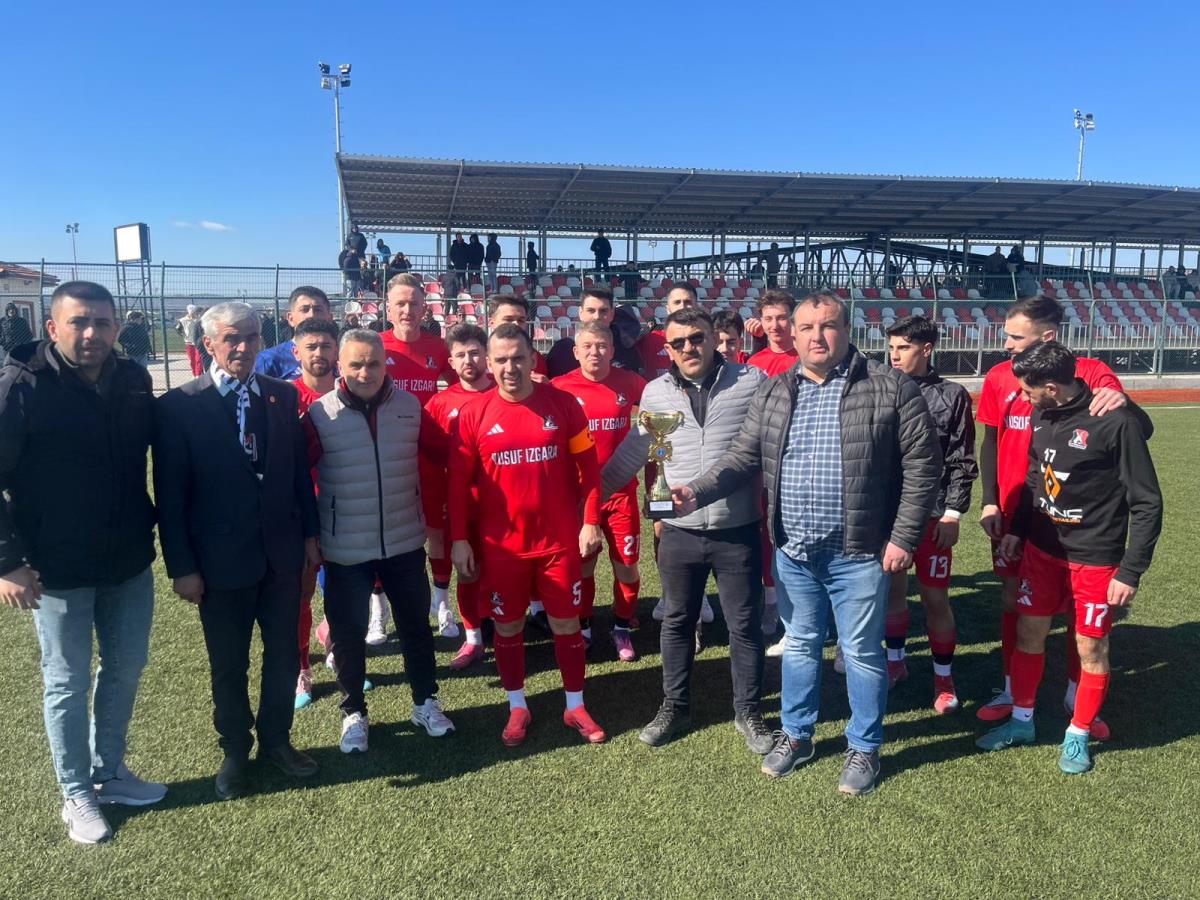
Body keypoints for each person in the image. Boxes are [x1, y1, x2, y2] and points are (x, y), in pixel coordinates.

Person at [673, 289, 942, 795]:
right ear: (793, 336)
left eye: (829, 325)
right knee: (799, 645)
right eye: (808, 328)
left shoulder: (890, 387)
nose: (818, 336)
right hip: (793, 550)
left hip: (859, 551)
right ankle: (797, 735)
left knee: (860, 651)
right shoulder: (776, 391)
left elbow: (923, 469)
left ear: (847, 330)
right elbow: (742, 457)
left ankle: (864, 746)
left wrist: (904, 537)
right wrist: (696, 491)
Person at [0, 281, 164, 845]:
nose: (91, 333)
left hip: (128, 559)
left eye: (102, 322)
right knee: (66, 681)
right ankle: (76, 793)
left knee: (124, 667)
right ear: (52, 328)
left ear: (117, 327)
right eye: (78, 322)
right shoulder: (19, 387)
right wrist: (7, 562)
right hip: (54, 568)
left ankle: (109, 771)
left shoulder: (134, 380)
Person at [154, 301, 321, 801]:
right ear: (208, 344)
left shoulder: (281, 395)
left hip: (281, 555)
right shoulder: (180, 405)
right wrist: (182, 567)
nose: (243, 346)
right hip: (219, 563)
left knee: (284, 657)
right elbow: (171, 495)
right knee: (229, 664)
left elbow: (297, 475)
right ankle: (234, 750)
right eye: (232, 338)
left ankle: (277, 740)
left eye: (251, 337)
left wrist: (310, 538)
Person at [981, 342, 1162, 775]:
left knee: (1090, 645)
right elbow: (1033, 480)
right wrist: (1018, 530)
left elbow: (1147, 503)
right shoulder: (1042, 414)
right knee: (1029, 632)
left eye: (1027, 391)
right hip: (1042, 551)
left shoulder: (1115, 422)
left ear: (1050, 387)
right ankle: (1021, 721)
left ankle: (1078, 733)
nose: (1022, 398)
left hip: (1096, 558)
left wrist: (1130, 571)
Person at [603, 308, 773, 755]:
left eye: (696, 338)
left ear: (714, 338)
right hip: (678, 532)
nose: (688, 348)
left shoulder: (751, 381)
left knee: (744, 624)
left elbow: (762, 449)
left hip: (737, 528)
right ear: (668, 349)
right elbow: (634, 452)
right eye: (677, 343)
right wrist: (588, 497)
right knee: (677, 621)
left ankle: (748, 711)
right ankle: (674, 706)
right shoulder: (656, 391)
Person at [449, 323, 607, 746]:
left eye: (518, 358)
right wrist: (459, 539)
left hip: (558, 542)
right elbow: (458, 484)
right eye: (501, 360)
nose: (510, 367)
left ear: (532, 359)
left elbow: (589, 469)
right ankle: (517, 706)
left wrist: (590, 520)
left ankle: (575, 705)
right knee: (508, 627)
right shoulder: (473, 414)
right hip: (502, 548)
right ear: (489, 362)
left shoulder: (563, 403)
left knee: (566, 623)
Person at [304, 328, 455, 754]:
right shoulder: (319, 414)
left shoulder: (409, 407)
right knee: (347, 635)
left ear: (385, 364)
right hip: (345, 548)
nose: (365, 372)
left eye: (373, 363)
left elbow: (446, 453)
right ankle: (354, 712)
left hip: (404, 541)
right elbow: (296, 476)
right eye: (356, 364)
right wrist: (310, 534)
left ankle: (425, 702)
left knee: (415, 628)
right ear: (340, 366)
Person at [883, 316, 978, 713]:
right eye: (891, 348)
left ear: (926, 349)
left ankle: (944, 679)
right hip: (888, 516)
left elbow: (962, 459)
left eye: (903, 348)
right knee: (892, 593)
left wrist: (953, 513)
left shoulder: (952, 395)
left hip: (934, 516)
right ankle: (895, 664)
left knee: (935, 597)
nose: (894, 355)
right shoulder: (880, 388)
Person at [552, 322, 646, 659]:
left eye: (602, 346)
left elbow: (659, 406)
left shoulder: (630, 382)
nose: (595, 352)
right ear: (576, 352)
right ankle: (585, 626)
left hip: (620, 492)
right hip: (578, 496)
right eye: (588, 346)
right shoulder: (559, 387)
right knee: (582, 566)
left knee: (627, 565)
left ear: (612, 350)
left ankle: (622, 626)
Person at [380, 273, 460, 640]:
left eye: (414, 303)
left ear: (424, 308)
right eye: (400, 303)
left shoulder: (439, 347)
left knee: (437, 533)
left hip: (429, 456)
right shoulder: (376, 346)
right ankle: (378, 610)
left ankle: (441, 603)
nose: (407, 310)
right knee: (383, 533)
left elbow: (464, 384)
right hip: (387, 455)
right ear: (388, 308)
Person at [425, 323, 494, 669]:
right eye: (461, 355)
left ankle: (507, 628)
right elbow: (429, 456)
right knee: (468, 571)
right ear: (450, 362)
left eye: (475, 353)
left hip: (504, 506)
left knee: (505, 571)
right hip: (462, 505)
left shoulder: (506, 394)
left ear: (487, 356)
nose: (469, 360)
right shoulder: (439, 403)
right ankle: (473, 639)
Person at [743, 290, 800, 655]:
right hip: (765, 464)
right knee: (767, 534)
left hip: (801, 462)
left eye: (781, 317)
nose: (775, 325)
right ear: (760, 323)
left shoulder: (807, 356)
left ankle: (805, 612)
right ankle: (771, 602)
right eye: (769, 319)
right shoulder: (755, 362)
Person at [288, 318, 340, 710]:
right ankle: (301, 667)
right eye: (311, 347)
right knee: (301, 593)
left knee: (343, 589)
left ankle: (337, 647)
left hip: (345, 507)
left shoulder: (350, 391)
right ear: (297, 352)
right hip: (300, 512)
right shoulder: (283, 397)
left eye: (325, 346)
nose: (319, 353)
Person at [545, 285, 639, 377]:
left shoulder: (627, 349)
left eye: (603, 311)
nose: (597, 317)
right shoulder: (562, 352)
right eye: (591, 310)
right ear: (581, 313)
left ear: (612, 313)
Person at [254, 287, 335, 381]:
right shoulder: (268, 360)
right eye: (304, 309)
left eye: (318, 309)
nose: (311, 315)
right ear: (290, 318)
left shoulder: (342, 356)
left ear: (330, 318)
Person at [637, 283, 697, 378]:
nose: (682, 307)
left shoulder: (708, 340)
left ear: (696, 307)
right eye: (677, 302)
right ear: (668, 309)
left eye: (688, 302)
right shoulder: (649, 340)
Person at [486, 295, 549, 379]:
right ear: (491, 323)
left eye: (521, 320)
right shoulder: (476, 357)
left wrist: (543, 385)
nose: (516, 324)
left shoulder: (535, 358)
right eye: (508, 319)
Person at [176, 304, 204, 376]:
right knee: (192, 360)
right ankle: (195, 374)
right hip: (189, 343)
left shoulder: (199, 320)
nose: (194, 313)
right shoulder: (182, 320)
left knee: (198, 359)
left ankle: (198, 374)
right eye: (193, 312)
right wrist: (183, 335)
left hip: (198, 343)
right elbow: (178, 329)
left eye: (195, 312)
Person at [448, 233, 469, 307]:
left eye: (460, 236)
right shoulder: (454, 245)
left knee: (463, 275)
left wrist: (466, 261)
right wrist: (454, 261)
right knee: (457, 276)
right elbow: (451, 254)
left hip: (463, 264)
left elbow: (468, 254)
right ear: (456, 237)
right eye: (458, 237)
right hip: (457, 264)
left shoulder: (465, 245)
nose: (459, 238)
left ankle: (465, 288)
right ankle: (458, 289)